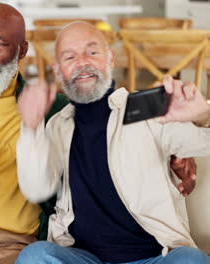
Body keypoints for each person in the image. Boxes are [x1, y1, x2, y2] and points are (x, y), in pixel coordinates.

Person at [0, 4, 197, 264]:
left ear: (22, 51)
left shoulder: (53, 109)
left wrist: (173, 149)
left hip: (12, 245)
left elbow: (111, 120)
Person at [15, 21, 210, 264]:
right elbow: (36, 188)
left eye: (92, 52)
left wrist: (203, 117)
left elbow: (201, 141)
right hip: (84, 259)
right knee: (35, 256)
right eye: (69, 57)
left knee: (191, 260)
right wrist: (31, 128)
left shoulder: (147, 107)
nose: (82, 62)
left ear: (111, 59)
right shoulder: (56, 124)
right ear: (57, 71)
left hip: (152, 258)